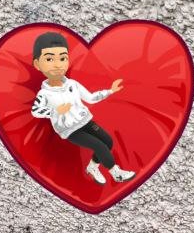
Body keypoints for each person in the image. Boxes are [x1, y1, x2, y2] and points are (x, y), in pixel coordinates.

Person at [31, 32, 135, 186]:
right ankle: (116, 173)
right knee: (99, 146)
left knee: (107, 141)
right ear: (37, 64)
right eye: (49, 59)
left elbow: (91, 98)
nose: (57, 64)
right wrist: (55, 111)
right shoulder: (44, 94)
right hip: (70, 129)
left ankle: (93, 167)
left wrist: (110, 91)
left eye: (62, 58)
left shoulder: (72, 84)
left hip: (84, 121)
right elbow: (35, 110)